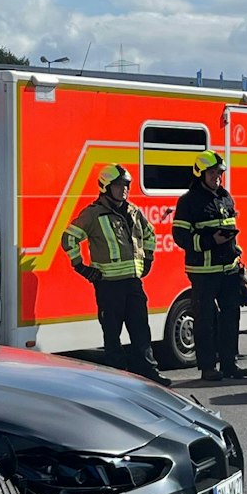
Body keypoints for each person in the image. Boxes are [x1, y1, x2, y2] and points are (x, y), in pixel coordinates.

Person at [61, 164, 164, 382]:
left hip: (133, 284)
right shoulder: (93, 214)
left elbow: (150, 234)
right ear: (106, 187)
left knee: (141, 331)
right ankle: (117, 380)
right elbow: (69, 238)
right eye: (119, 186)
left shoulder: (134, 211)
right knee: (112, 335)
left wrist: (148, 258)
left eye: (127, 185)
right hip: (108, 286)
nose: (124, 190)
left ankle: (148, 375)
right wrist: (80, 267)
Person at [172, 151, 247, 381]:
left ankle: (229, 364)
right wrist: (208, 241)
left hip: (229, 270)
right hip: (203, 272)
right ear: (200, 173)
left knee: (230, 318)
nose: (217, 177)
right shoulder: (189, 201)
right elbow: (180, 235)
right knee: (205, 321)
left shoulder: (226, 197)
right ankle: (207, 368)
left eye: (219, 173)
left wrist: (235, 250)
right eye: (212, 173)